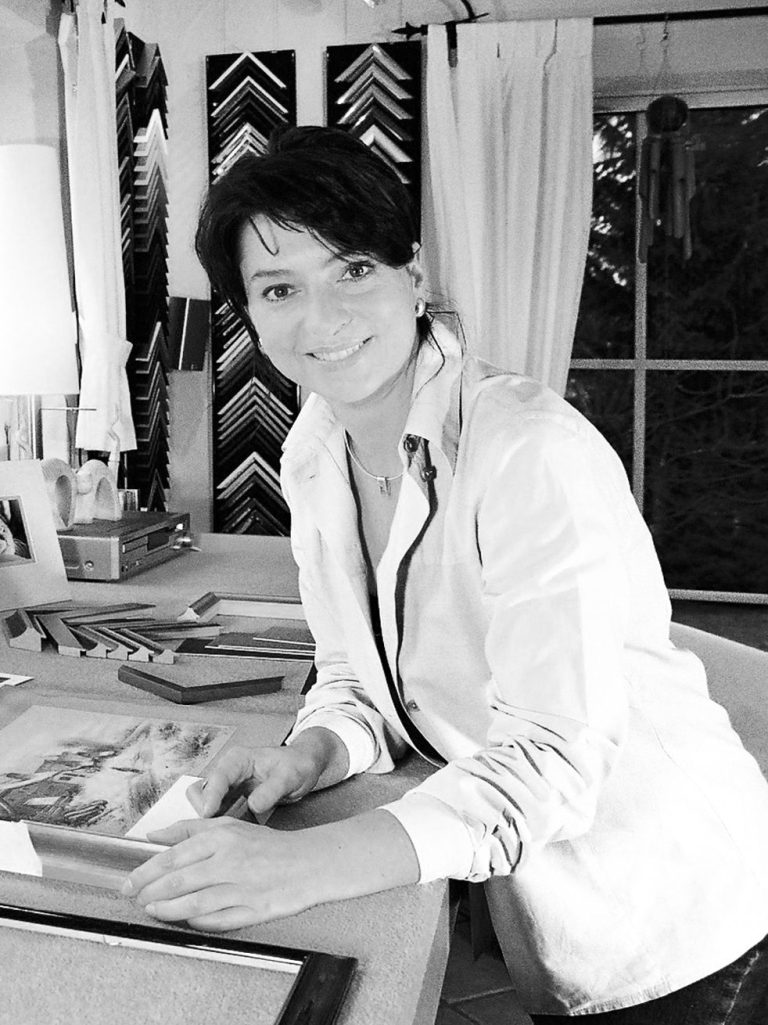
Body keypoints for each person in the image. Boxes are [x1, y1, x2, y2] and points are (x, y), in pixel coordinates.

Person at [122, 126, 768, 1022]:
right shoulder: (314, 451)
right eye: (280, 288)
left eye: (354, 269)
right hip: (544, 892)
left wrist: (305, 863)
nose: (323, 317)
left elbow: (553, 756)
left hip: (669, 905)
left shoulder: (527, 450)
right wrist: (309, 753)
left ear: (414, 276)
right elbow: (357, 677)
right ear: (252, 317)